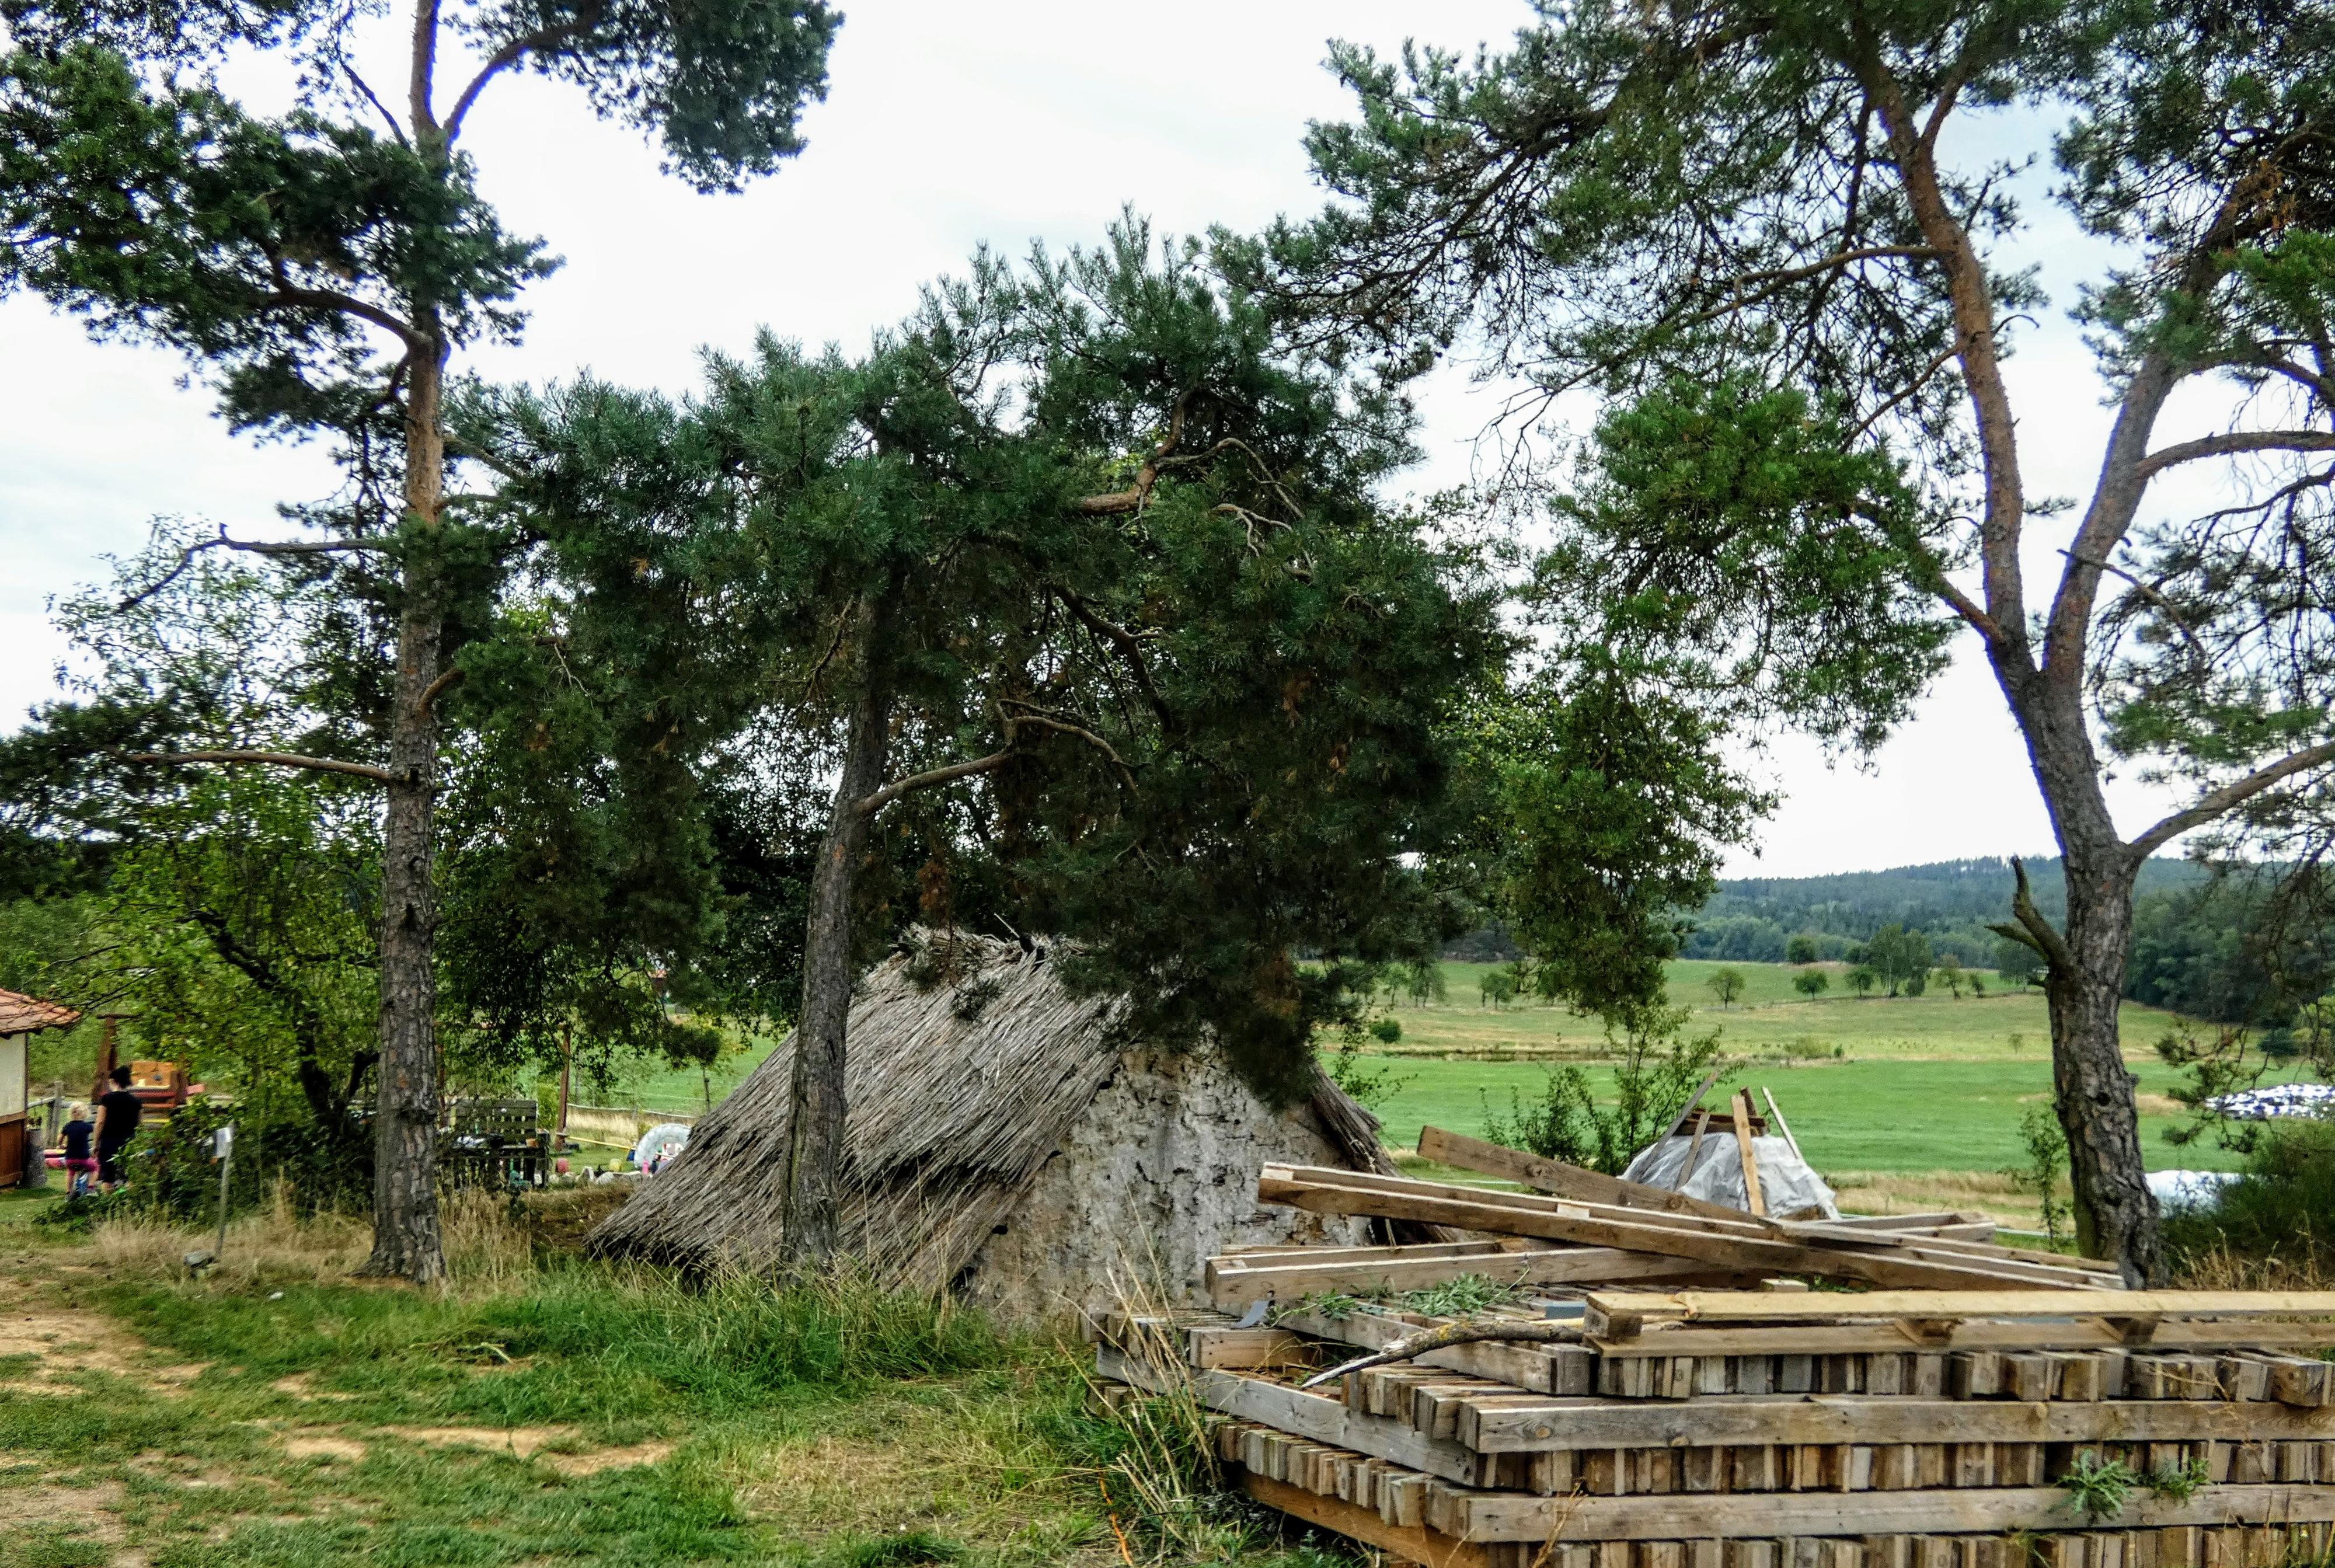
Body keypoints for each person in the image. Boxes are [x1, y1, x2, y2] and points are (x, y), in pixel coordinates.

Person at [95, 1065, 142, 1193]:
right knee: (129, 1175)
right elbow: (140, 1124)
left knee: (108, 1176)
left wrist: (95, 1143)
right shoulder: (136, 1101)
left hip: (109, 1141)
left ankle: (108, 1205)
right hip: (129, 1141)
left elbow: (100, 1122)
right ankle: (129, 1203)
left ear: (113, 1082)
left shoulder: (106, 1099)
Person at [59, 1104, 96, 1197]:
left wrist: (61, 1145)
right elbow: (96, 1133)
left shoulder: (68, 1126)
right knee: (95, 1168)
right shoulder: (87, 1126)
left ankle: (68, 1193)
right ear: (85, 1114)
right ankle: (91, 1188)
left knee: (70, 1173)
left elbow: (60, 1138)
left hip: (70, 1159)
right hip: (84, 1158)